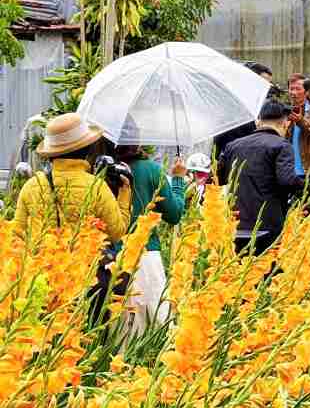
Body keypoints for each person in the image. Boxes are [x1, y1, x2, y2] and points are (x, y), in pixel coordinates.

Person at [13, 113, 132, 325]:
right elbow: (117, 233)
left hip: (43, 280)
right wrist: (125, 196)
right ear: (87, 150)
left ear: (51, 154)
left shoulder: (32, 186)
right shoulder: (96, 186)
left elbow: (17, 237)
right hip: (88, 281)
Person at [115, 145, 187, 335]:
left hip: (111, 258)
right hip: (146, 256)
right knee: (158, 325)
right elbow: (174, 214)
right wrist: (178, 179)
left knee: (120, 331)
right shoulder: (151, 170)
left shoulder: (102, 167)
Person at [217, 100, 303, 254]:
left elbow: (219, 179)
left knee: (237, 274)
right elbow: (287, 180)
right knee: (267, 273)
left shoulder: (233, 146)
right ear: (285, 124)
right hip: (268, 227)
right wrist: (306, 188)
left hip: (235, 225)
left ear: (258, 122)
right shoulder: (282, 146)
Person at [212, 61, 276, 156]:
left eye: (269, 84)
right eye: (263, 83)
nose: (267, 87)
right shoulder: (233, 105)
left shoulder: (261, 105)